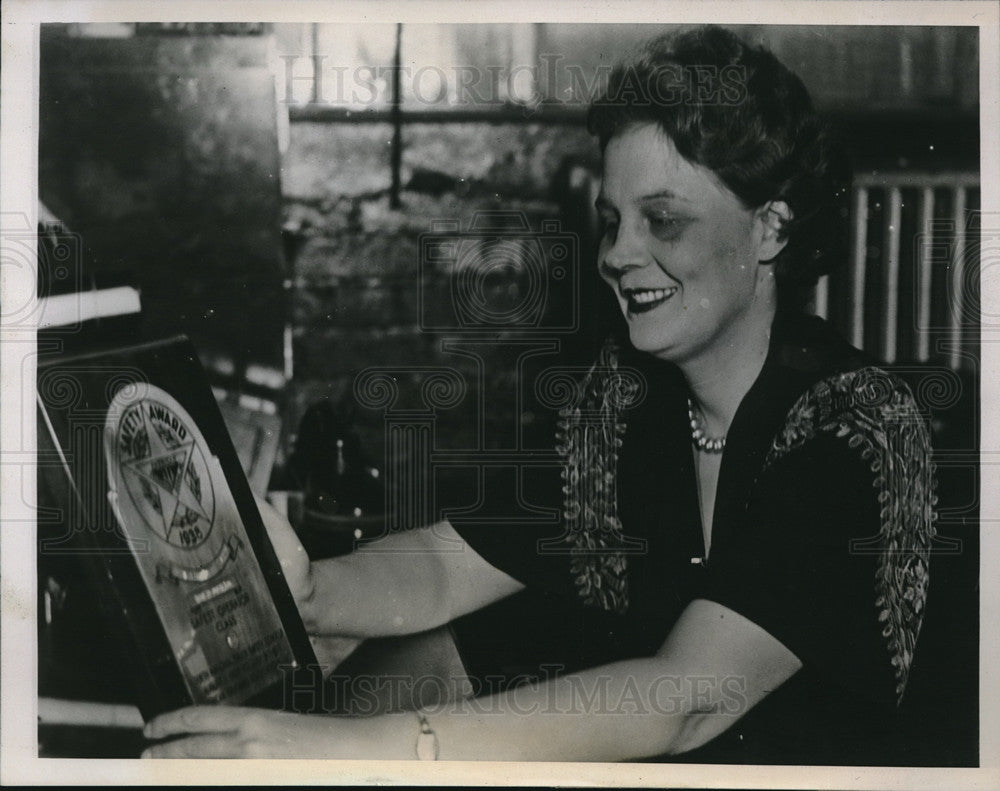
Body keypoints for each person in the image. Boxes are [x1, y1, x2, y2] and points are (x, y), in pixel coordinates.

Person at [141, 26, 935, 763]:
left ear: (770, 229)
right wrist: (309, 588)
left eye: (662, 221)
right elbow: (451, 563)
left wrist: (349, 750)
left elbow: (680, 699)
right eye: (612, 220)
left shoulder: (854, 428)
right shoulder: (624, 404)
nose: (618, 255)